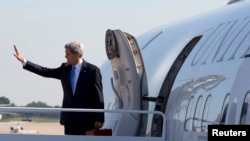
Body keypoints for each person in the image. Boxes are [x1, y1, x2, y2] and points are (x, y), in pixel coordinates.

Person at [13, 41, 104, 135]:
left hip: (86, 121)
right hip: (69, 119)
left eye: (67, 54)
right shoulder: (65, 68)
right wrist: (24, 61)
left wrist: (99, 119)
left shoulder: (92, 70)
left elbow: (98, 95)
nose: (65, 56)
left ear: (77, 54)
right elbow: (46, 72)